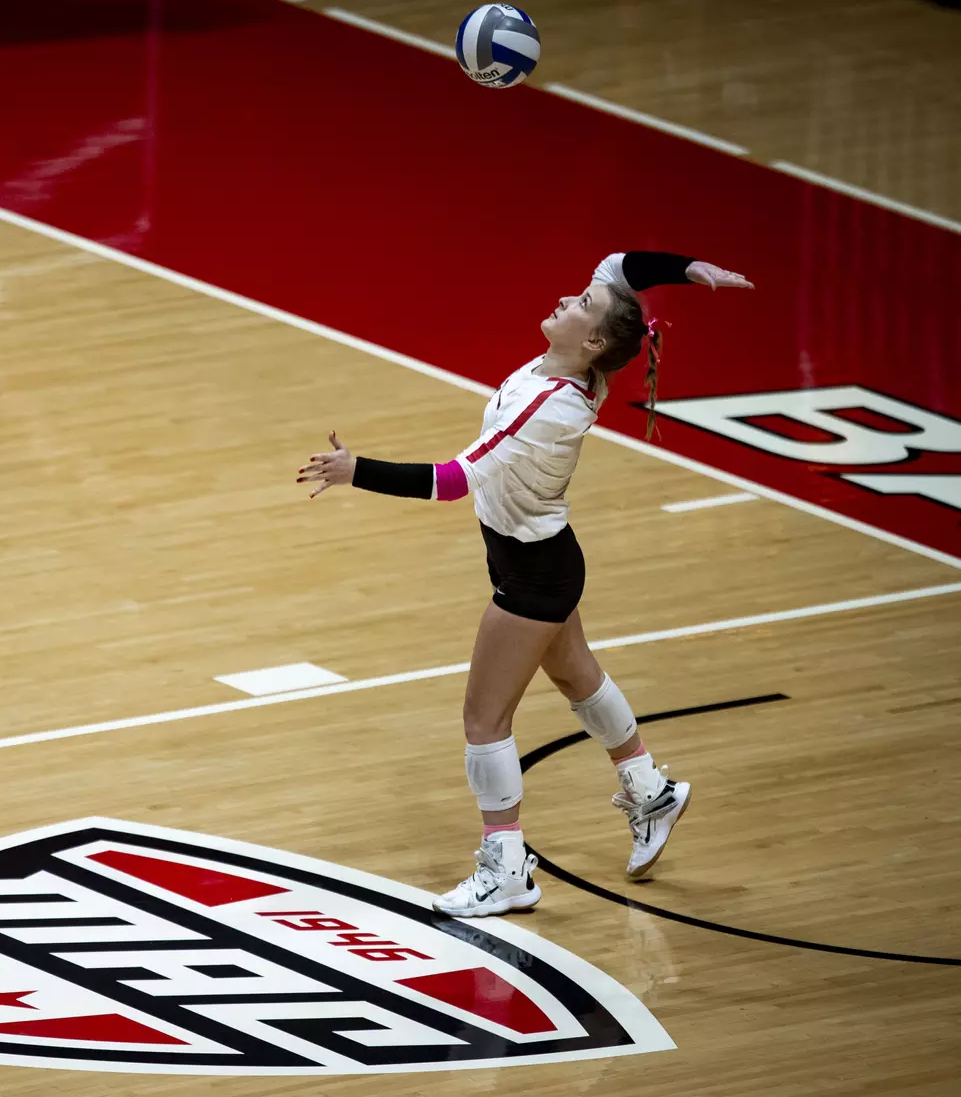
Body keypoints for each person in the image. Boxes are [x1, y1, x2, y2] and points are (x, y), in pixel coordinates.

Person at [296, 251, 754, 917]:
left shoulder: (547, 410)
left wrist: (354, 469)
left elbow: (451, 482)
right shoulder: (575, 367)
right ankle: (649, 790)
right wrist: (688, 270)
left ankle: (506, 868)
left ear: (592, 341)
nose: (570, 297)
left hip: (533, 575)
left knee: (484, 719)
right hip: (540, 555)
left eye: (582, 306)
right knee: (577, 678)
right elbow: (615, 267)